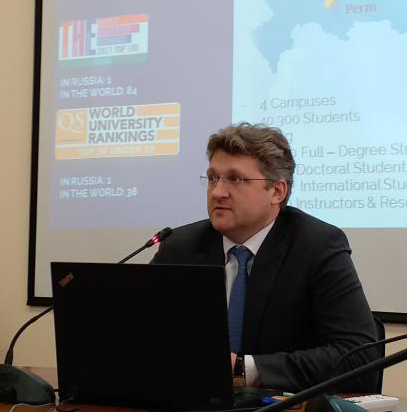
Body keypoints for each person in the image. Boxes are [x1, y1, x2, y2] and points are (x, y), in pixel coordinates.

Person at [154, 123, 381, 392]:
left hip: (281, 409)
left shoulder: (316, 246)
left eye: (236, 179)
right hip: (188, 403)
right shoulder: (179, 247)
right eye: (213, 178)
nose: (217, 192)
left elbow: (360, 358)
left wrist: (245, 369)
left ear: (277, 192)